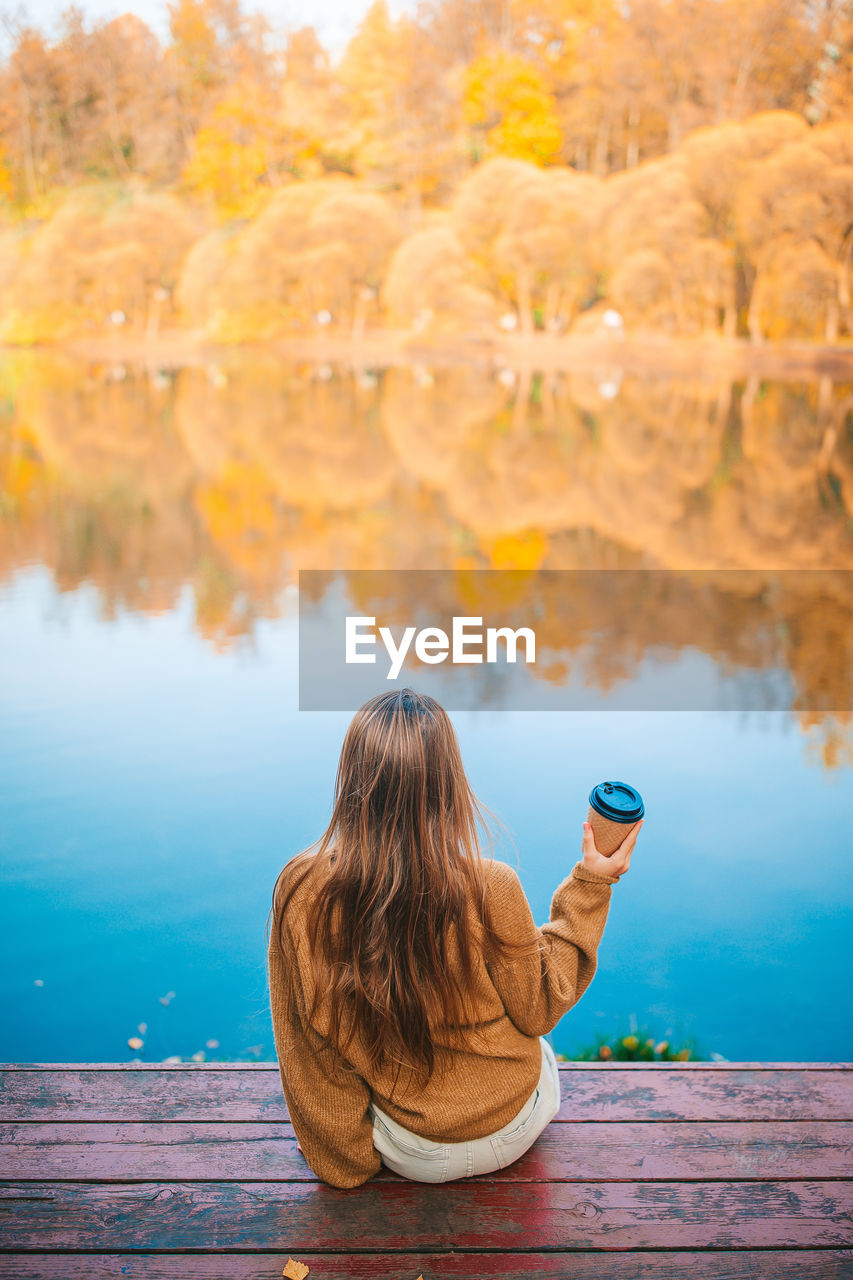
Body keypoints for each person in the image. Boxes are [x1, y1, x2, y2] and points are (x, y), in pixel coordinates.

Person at [266, 688, 641, 1189]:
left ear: (350, 778)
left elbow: (307, 1047)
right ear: (449, 783)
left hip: (414, 1150)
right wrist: (593, 882)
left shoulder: (302, 892)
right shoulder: (492, 885)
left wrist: (346, 1165)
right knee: (545, 1051)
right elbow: (539, 1009)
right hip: (516, 1124)